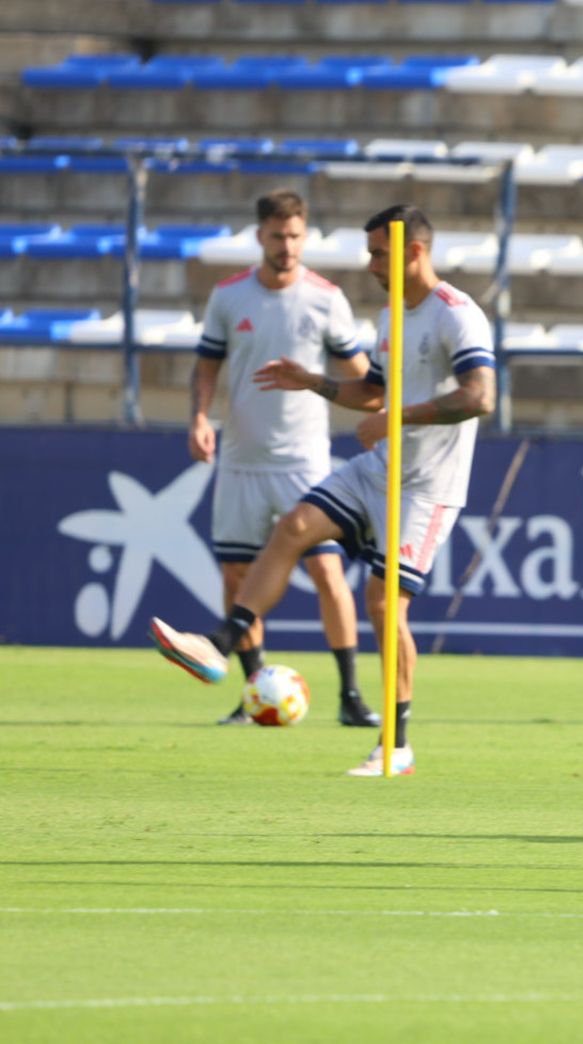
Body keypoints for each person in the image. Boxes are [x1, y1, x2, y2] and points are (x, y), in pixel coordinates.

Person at [150, 204, 496, 776]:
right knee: (295, 528)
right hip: (380, 466)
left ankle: (396, 745)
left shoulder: (458, 315)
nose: (370, 263)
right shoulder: (392, 315)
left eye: (379, 252)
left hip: (428, 488)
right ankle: (218, 643)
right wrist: (313, 382)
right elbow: (374, 391)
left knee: (384, 607)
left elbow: (479, 397)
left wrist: (399, 416)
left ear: (415, 251)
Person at [189, 190, 378, 728]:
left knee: (327, 572)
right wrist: (200, 418)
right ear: (260, 237)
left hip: (305, 461)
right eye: (278, 236)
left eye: (296, 235)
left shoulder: (325, 298)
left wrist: (368, 401)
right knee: (236, 578)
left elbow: (365, 376)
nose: (288, 246)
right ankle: (255, 693)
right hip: (242, 460)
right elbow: (206, 365)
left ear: (304, 235)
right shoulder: (229, 297)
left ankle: (350, 696)